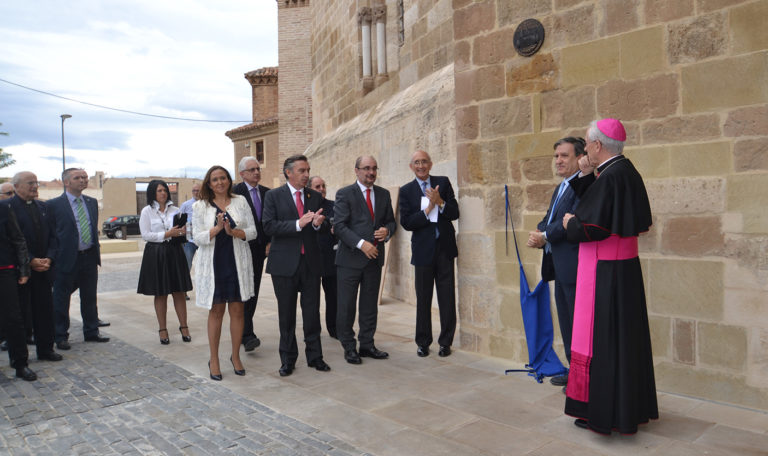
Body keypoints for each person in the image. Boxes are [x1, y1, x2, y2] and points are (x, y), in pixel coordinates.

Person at [562, 119, 657, 434]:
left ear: (598, 145)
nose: (585, 148)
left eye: (587, 143)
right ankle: (630, 409)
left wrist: (569, 224)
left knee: (603, 344)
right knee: (624, 343)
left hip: (604, 273)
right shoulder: (624, 171)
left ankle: (603, 413)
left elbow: (593, 226)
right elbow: (603, 208)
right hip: (624, 270)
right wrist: (587, 175)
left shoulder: (612, 176)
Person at [262, 155, 330, 377]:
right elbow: (269, 226)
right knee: (287, 315)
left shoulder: (315, 196)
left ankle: (315, 357)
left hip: (310, 263)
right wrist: (297, 224)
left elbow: (322, 224)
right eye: (302, 170)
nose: (306, 174)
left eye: (308, 170)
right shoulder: (273, 196)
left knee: (312, 313)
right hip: (284, 264)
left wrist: (319, 224)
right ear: (288, 172)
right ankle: (288, 359)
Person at [526, 137, 584, 389]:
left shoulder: (582, 187)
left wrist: (545, 236)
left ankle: (581, 375)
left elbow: (570, 223)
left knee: (577, 322)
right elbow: (551, 218)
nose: (558, 161)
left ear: (580, 158)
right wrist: (540, 230)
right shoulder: (561, 187)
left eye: (564, 156)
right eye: (556, 156)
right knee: (566, 320)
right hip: (558, 267)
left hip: (574, 266)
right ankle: (574, 371)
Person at [192, 166, 257, 380]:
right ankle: (214, 359)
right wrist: (217, 229)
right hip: (214, 265)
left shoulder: (240, 201)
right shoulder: (200, 206)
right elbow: (196, 238)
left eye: (223, 178)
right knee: (216, 312)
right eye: (215, 179)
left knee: (238, 311)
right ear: (209, 184)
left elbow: (253, 232)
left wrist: (233, 231)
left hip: (236, 263)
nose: (219, 182)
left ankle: (235, 356)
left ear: (229, 180)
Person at [334, 156, 396, 364]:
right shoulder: (344, 194)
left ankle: (367, 344)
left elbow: (391, 222)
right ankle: (349, 347)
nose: (371, 172)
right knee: (346, 306)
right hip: (349, 260)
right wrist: (362, 244)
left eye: (374, 168)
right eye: (366, 168)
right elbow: (340, 226)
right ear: (357, 170)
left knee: (370, 306)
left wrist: (387, 231)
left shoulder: (384, 194)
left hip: (374, 261)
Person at [398, 150, 459, 358]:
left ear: (431, 164)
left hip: (445, 249)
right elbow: (406, 223)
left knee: (447, 298)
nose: (421, 166)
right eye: (417, 162)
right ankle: (423, 342)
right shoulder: (406, 191)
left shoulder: (443, 182)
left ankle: (445, 342)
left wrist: (440, 202)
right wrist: (427, 210)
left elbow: (455, 213)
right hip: (423, 251)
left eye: (424, 162)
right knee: (423, 298)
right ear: (411, 167)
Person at [49, 168, 109, 349]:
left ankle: (91, 331)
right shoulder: (54, 205)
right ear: (66, 182)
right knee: (61, 298)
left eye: (84, 177)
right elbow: (51, 234)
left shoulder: (91, 203)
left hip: (89, 256)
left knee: (89, 296)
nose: (83, 180)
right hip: (66, 259)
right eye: (78, 178)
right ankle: (60, 335)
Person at [9, 171, 62, 362]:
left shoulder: (44, 207)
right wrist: (29, 259)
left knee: (44, 311)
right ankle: (20, 356)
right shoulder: (7, 208)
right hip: (20, 271)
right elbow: (10, 241)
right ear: (17, 186)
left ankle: (46, 349)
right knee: (21, 315)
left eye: (36, 182)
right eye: (30, 183)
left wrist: (49, 258)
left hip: (44, 270)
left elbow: (54, 238)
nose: (35, 186)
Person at [137, 179, 193, 345]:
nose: (163, 193)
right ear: (152, 193)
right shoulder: (147, 211)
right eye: (159, 190)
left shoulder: (176, 210)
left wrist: (183, 232)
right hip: (156, 254)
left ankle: (184, 326)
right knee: (160, 293)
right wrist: (167, 234)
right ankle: (163, 329)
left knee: (179, 291)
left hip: (175, 252)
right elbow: (145, 234)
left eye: (165, 190)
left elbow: (186, 231)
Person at [233, 156, 270, 352]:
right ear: (242, 174)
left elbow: (270, 220)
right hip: (240, 248)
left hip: (259, 250)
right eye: (252, 169)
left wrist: (270, 242)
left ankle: (245, 331)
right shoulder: (234, 193)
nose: (257, 172)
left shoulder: (267, 193)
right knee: (242, 292)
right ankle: (246, 334)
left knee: (253, 290)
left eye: (258, 169)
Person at [0, 201, 36, 380]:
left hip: (4, 270)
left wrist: (24, 269)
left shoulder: (3, 208)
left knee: (13, 318)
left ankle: (20, 364)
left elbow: (18, 239)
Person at [309, 175, 338, 338]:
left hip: (330, 257)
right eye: (317, 187)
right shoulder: (305, 207)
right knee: (312, 298)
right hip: (312, 258)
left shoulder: (334, 205)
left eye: (323, 186)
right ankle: (314, 331)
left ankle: (334, 328)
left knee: (333, 295)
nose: (321, 189)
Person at [179, 183, 201, 274]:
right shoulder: (185, 205)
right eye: (194, 190)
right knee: (186, 264)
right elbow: (180, 221)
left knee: (204, 265)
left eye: (198, 190)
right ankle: (184, 285)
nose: (196, 192)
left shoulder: (207, 203)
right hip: (189, 240)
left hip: (203, 240)